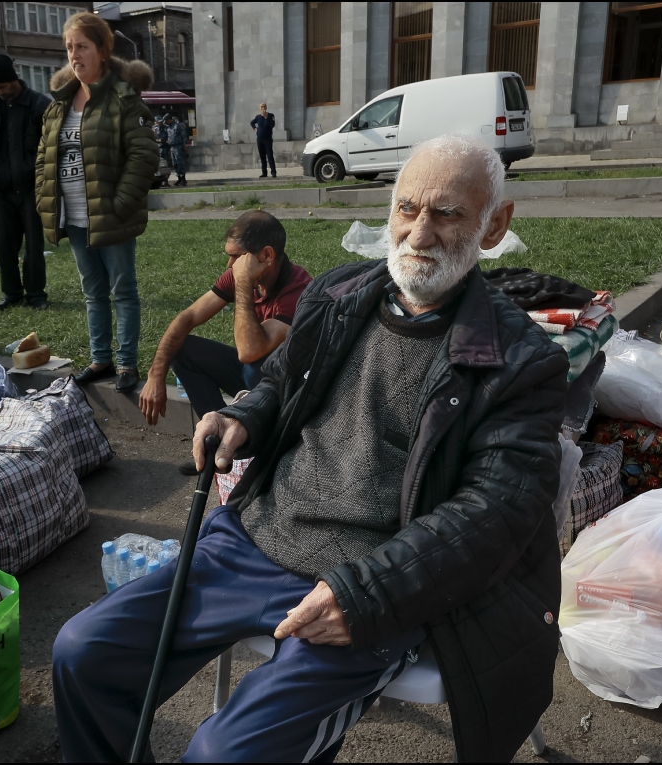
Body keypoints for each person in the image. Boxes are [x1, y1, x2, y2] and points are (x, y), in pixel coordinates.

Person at [53, 134, 570, 762]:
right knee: (83, 652)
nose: (420, 234)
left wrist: (368, 594)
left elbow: (497, 513)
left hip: (374, 582)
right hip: (257, 536)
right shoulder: (339, 295)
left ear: (495, 226)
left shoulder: (521, 361)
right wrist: (245, 414)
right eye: (407, 208)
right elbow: (279, 381)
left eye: (448, 214)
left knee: (225, 755)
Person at [36, 11, 158, 393]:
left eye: (82, 47)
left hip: (111, 215)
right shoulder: (59, 105)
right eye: (69, 48)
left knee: (122, 290)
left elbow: (144, 156)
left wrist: (120, 202)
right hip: (73, 216)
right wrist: (46, 198)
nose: (75, 55)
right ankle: (100, 358)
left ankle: (125, 364)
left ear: (103, 51)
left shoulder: (123, 99)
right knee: (92, 292)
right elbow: (43, 157)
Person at [138, 210, 312, 473]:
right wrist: (155, 375)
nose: (230, 266)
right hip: (255, 374)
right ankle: (216, 442)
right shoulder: (240, 274)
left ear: (266, 255)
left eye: (236, 257)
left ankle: (259, 454)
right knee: (183, 349)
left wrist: (243, 282)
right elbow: (187, 317)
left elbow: (249, 351)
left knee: (255, 366)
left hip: (284, 390)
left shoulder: (298, 289)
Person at [0, 54, 52, 311]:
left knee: (33, 245)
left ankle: (35, 294)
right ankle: (11, 293)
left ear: (14, 80)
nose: (1, 92)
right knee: (4, 248)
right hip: (1, 190)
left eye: (4, 87)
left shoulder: (39, 105)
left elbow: (52, 149)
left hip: (32, 188)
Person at [251, 102, 277, 178]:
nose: (263, 108)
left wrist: (266, 118)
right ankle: (264, 172)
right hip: (260, 138)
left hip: (268, 138)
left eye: (264, 107)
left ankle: (273, 172)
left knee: (270, 155)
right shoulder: (258, 117)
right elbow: (252, 123)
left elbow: (272, 125)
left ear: (266, 108)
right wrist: (255, 128)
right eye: (261, 107)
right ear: (260, 109)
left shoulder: (271, 116)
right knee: (262, 156)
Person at [165, 113, 189, 187]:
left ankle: (183, 179)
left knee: (180, 163)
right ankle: (179, 178)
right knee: (175, 164)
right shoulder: (169, 127)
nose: (166, 122)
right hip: (172, 147)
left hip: (179, 146)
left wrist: (185, 145)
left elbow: (184, 135)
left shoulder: (178, 125)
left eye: (166, 121)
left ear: (170, 119)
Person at [153, 114, 171, 187]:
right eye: (158, 122)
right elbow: (153, 138)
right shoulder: (154, 129)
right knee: (158, 166)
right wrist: (158, 140)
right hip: (158, 148)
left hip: (165, 148)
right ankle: (160, 180)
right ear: (156, 122)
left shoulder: (166, 128)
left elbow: (170, 136)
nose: (160, 123)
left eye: (161, 122)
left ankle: (166, 181)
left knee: (166, 166)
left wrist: (165, 140)